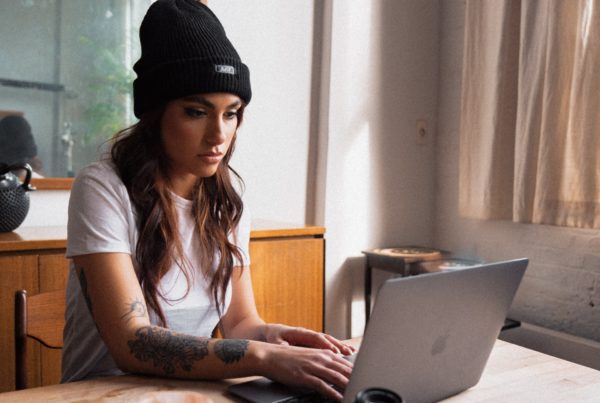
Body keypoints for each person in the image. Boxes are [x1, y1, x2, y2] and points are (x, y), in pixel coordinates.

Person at [61, 0, 354, 401]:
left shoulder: (226, 201)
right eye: (196, 112)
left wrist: (277, 338)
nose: (219, 134)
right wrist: (262, 356)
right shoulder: (102, 187)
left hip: (189, 394)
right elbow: (133, 342)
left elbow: (241, 325)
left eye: (231, 113)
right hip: (102, 394)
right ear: (156, 113)